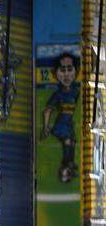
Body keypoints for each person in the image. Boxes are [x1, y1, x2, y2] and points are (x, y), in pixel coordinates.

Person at [40, 52, 80, 183]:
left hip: (68, 125)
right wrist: (45, 127)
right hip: (60, 126)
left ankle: (69, 166)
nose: (67, 74)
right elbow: (47, 110)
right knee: (68, 141)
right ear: (55, 72)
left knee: (72, 142)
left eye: (70, 69)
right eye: (63, 70)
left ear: (76, 71)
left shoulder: (75, 92)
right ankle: (66, 168)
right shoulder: (58, 94)